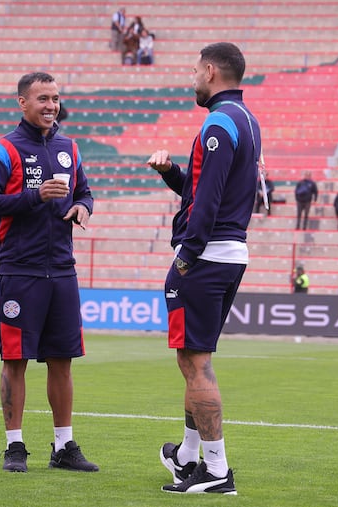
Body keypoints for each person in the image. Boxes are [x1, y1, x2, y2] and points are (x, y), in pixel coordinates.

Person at [147, 42, 260, 495]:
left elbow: (209, 201)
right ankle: (189, 458)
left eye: (196, 71)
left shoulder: (217, 122)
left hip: (207, 255)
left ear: (211, 71)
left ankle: (216, 470)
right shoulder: (246, 119)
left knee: (196, 363)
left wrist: (186, 256)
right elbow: (208, 190)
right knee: (194, 359)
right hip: (230, 252)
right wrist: (173, 171)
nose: (192, 78)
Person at [0, 72, 97, 474]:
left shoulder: (69, 148)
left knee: (63, 360)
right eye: (42, 98)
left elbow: (85, 192)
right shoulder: (4, 148)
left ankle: (64, 446)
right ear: (22, 103)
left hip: (62, 270)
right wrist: (34, 196)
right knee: (15, 359)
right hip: (19, 270)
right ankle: (14, 446)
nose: (51, 105)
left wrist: (83, 207)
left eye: (56, 98)